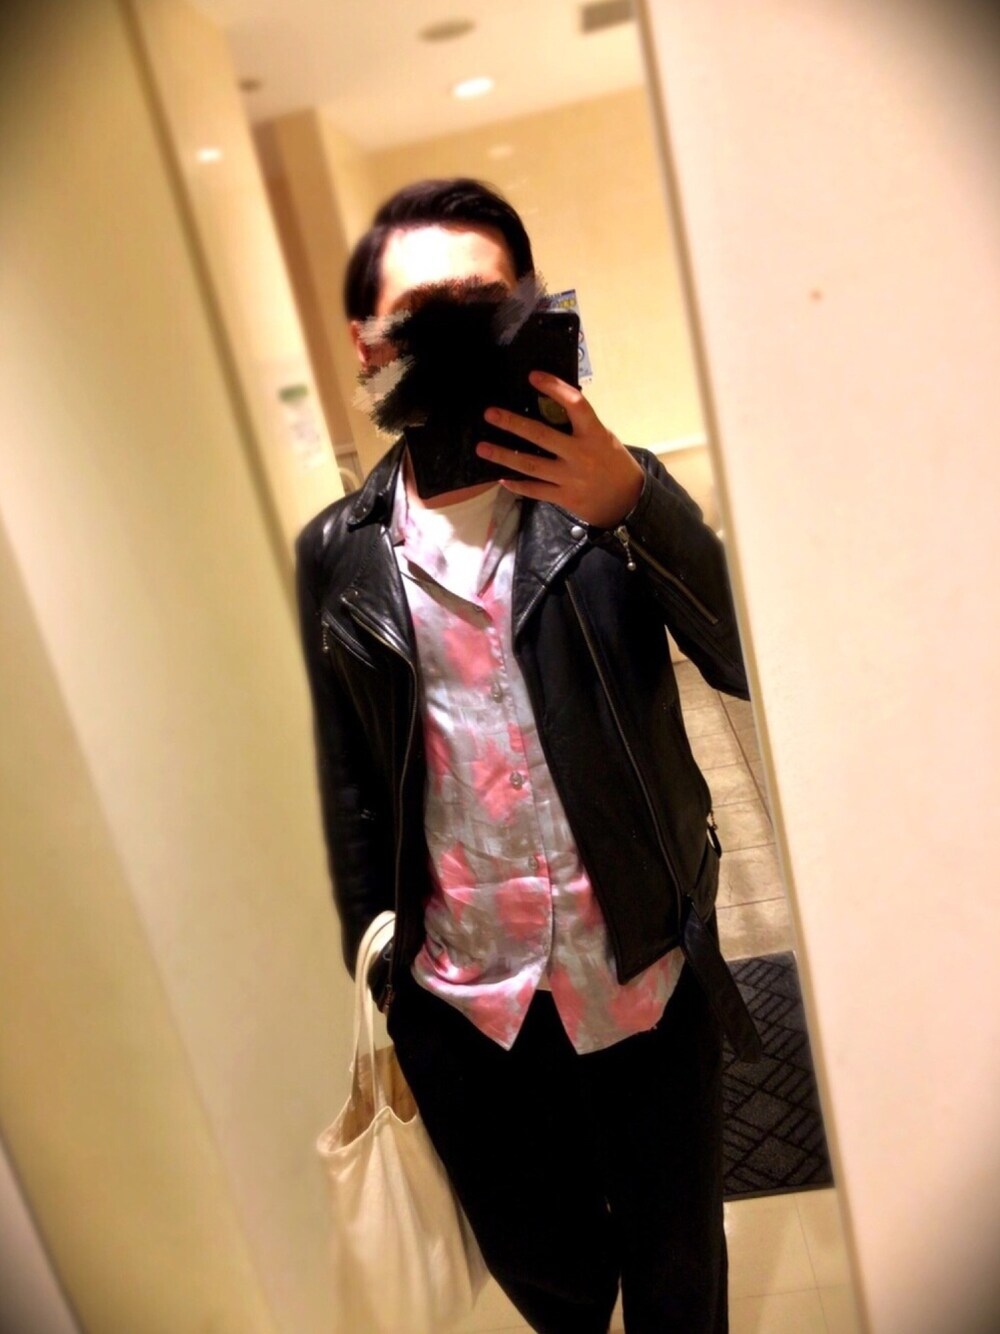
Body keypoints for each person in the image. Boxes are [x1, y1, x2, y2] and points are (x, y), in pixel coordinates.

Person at [294, 178, 760, 1334]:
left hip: (641, 974)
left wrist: (633, 503)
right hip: (466, 1011)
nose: (457, 338)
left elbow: (749, 659)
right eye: (424, 313)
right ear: (367, 343)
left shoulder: (609, 496)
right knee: (552, 1283)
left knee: (678, 1277)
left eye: (484, 305)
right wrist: (387, 979)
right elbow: (351, 780)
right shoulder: (337, 551)